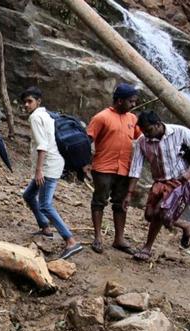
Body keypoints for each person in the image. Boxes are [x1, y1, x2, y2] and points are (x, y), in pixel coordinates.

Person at [124, 111, 190, 261]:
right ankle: (186, 226)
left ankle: (147, 248)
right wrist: (129, 193)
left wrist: (188, 172)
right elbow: (136, 168)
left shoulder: (181, 132)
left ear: (158, 124)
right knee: (150, 215)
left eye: (149, 130)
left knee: (163, 213)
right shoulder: (142, 141)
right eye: (144, 132)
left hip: (181, 179)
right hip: (160, 181)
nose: (147, 135)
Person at [21, 87, 83, 259]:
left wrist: (39, 170)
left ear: (38, 101)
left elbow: (42, 146)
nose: (26, 105)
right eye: (24, 102)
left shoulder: (35, 117)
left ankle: (71, 241)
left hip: (48, 166)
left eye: (30, 101)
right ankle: (45, 228)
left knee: (45, 205)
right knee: (28, 195)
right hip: (55, 162)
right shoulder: (47, 115)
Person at [84, 83, 142, 255]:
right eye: (130, 101)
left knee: (121, 204)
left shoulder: (132, 119)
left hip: (124, 168)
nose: (133, 105)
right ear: (119, 101)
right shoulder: (101, 117)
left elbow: (141, 137)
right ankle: (98, 237)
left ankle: (119, 239)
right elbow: (88, 139)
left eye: (134, 102)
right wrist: (86, 162)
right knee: (99, 201)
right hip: (103, 167)